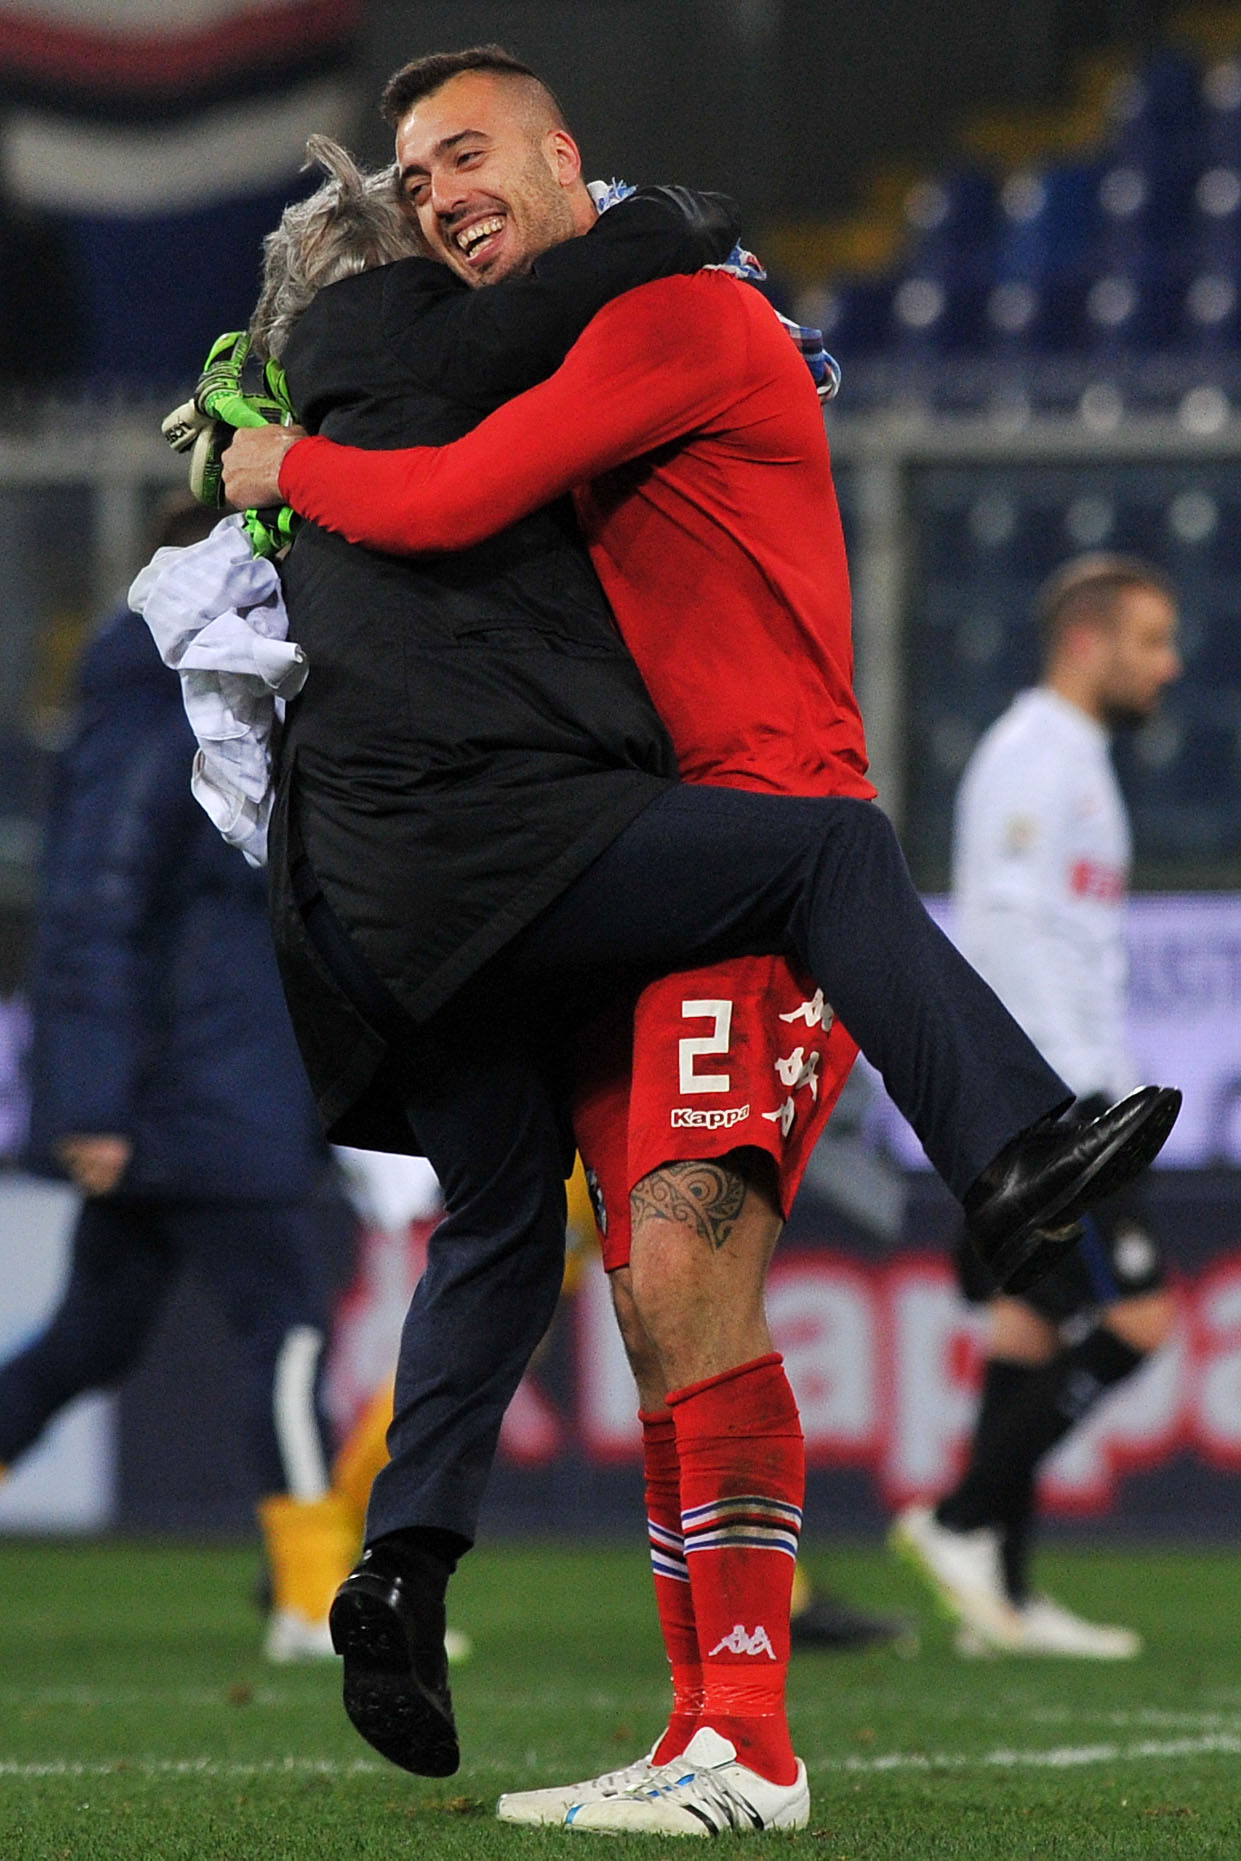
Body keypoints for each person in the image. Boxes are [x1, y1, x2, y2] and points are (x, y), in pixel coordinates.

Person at [217, 47, 1178, 1827]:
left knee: (680, 1277)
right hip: (625, 858)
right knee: (653, 1315)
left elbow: (437, 498)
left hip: (754, 836)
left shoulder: (681, 319)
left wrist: (270, 453)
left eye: (466, 157)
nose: (433, 195)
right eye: (413, 179)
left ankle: (749, 1739)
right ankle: (697, 1725)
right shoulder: (573, 333)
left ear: (566, 157)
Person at [12, 495, 360, 1662]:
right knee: (290, 1328)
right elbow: (94, 910)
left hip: (205, 1076)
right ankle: (311, 1596)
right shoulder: (162, 698)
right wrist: (94, 1100)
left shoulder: (203, 692)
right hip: (196, 1085)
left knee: (92, 1339)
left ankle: (306, 1591)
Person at [891, 555, 1182, 1658]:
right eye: (1148, 640)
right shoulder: (1032, 760)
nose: (1168, 665)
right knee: (1140, 1318)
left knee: (1025, 1323)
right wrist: (1057, 1110)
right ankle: (960, 1520)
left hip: (1058, 1087)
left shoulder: (1071, 761)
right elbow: (1006, 934)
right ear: (1085, 640)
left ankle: (999, 1598)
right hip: (1056, 1101)